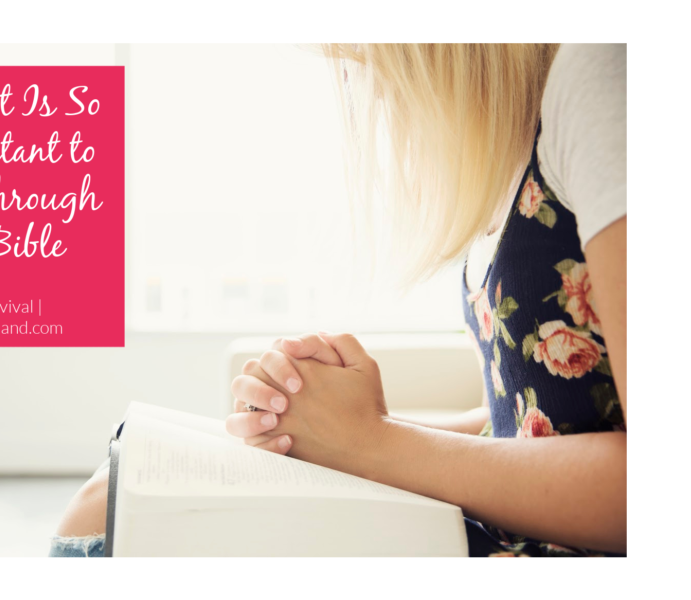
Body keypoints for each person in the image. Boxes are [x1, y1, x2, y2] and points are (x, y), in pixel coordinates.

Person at [50, 43, 626, 557]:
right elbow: (523, 425)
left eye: (364, 63)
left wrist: (373, 442)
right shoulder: (522, 126)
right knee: (114, 486)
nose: (368, 93)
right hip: (511, 522)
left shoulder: (602, 73)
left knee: (104, 517)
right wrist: (329, 429)